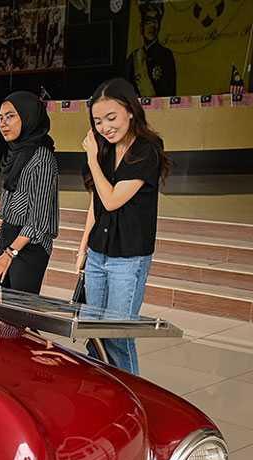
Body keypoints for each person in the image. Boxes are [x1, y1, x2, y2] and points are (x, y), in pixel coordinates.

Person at [77, 78, 171, 374]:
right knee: (95, 334)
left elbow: (113, 199)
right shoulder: (104, 149)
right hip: (98, 253)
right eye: (98, 121)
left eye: (111, 117)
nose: (105, 127)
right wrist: (82, 248)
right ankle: (104, 391)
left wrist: (92, 158)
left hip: (128, 258)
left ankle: (132, 397)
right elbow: (96, 204)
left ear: (130, 111)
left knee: (117, 334)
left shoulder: (147, 149)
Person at [0, 91, 58, 294]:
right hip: (9, 235)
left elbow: (38, 220)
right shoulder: (16, 153)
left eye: (11, 116)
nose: (3, 123)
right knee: (0, 309)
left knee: (18, 312)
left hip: (29, 246)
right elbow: (22, 196)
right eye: (0, 118)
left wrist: (9, 253)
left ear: (29, 116)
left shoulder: (42, 158)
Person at [126, 0, 177, 97]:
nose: (152, 27)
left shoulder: (166, 55)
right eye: (148, 22)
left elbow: (170, 93)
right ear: (141, 27)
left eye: (155, 22)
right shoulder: (133, 58)